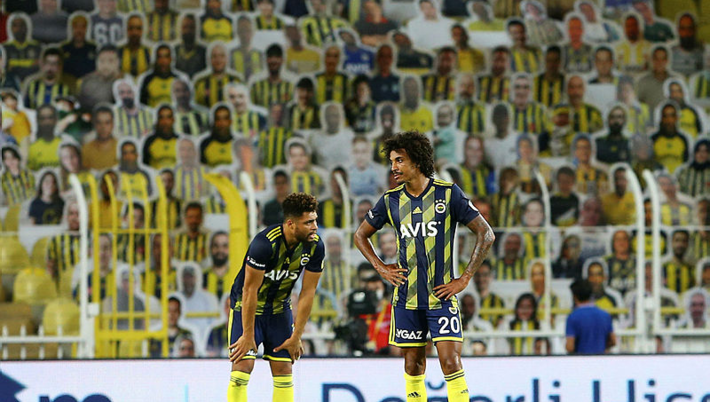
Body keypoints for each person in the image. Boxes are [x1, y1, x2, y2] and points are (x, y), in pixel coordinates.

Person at [353, 131, 495, 402]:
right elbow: (360, 235)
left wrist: (464, 278)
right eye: (392, 161)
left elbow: (486, 233)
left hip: (441, 296)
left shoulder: (448, 193)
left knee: (451, 362)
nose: (393, 167)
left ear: (416, 161)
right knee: (413, 365)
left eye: (399, 160)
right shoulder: (391, 200)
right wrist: (381, 268)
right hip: (406, 298)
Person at [227, 193, 325, 402]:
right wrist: (247, 334)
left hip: (280, 309)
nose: (315, 227)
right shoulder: (264, 244)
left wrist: (297, 336)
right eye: (308, 222)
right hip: (248, 308)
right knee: (242, 368)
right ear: (291, 224)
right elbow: (249, 291)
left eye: (315, 220)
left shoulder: (316, 246)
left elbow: (308, 292)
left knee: (284, 369)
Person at [565, 279, 616, 354]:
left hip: (581, 358)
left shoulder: (573, 317)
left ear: (574, 296)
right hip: (600, 357)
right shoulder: (605, 315)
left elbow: (570, 347)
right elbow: (613, 341)